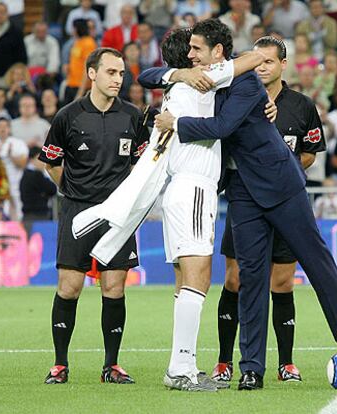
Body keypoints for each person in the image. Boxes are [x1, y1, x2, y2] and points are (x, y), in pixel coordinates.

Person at [148, 18, 337, 390]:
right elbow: (149, 76)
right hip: (243, 192)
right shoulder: (204, 79)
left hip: (281, 185)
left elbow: (221, 128)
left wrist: (176, 122)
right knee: (250, 279)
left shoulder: (246, 83)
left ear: (218, 52)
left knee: (318, 266)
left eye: (197, 48)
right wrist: (178, 76)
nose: (190, 54)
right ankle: (251, 369)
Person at [137, 27, 277, 392]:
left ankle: (182, 364)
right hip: (195, 186)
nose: (198, 56)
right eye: (194, 50)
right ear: (189, 58)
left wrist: (174, 72)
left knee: (185, 279)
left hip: (179, 189)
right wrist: (189, 70)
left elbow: (148, 74)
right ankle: (181, 368)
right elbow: (255, 58)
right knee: (199, 275)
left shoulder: (178, 84)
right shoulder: (200, 80)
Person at [208, 35, 326, 384]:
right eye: (256, 62)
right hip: (245, 199)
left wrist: (277, 174)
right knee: (235, 278)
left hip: (283, 201)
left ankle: (286, 362)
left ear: (282, 66)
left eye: (268, 62)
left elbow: (309, 152)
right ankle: (224, 360)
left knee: (283, 281)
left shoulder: (301, 106)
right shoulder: (234, 96)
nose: (261, 68)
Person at [39, 47, 150, 385]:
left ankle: (111, 365)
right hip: (77, 210)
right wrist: (73, 192)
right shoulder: (68, 116)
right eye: (111, 72)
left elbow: (142, 166)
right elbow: (51, 163)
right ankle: (60, 364)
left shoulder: (133, 116)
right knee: (69, 286)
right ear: (92, 74)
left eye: (121, 73)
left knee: (114, 287)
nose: (118, 79)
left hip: (117, 215)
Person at [0, 117, 28, 220]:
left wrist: (11, 155)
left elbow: (23, 163)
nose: (2, 129)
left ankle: (15, 234)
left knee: (15, 214)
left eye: (5, 126)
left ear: (9, 129)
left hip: (14, 185)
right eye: (0, 126)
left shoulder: (18, 143)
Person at [20, 146, 57, 221]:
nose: (43, 162)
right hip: (38, 216)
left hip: (27, 216)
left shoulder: (25, 174)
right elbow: (53, 189)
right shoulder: (36, 175)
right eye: (40, 159)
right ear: (31, 160)